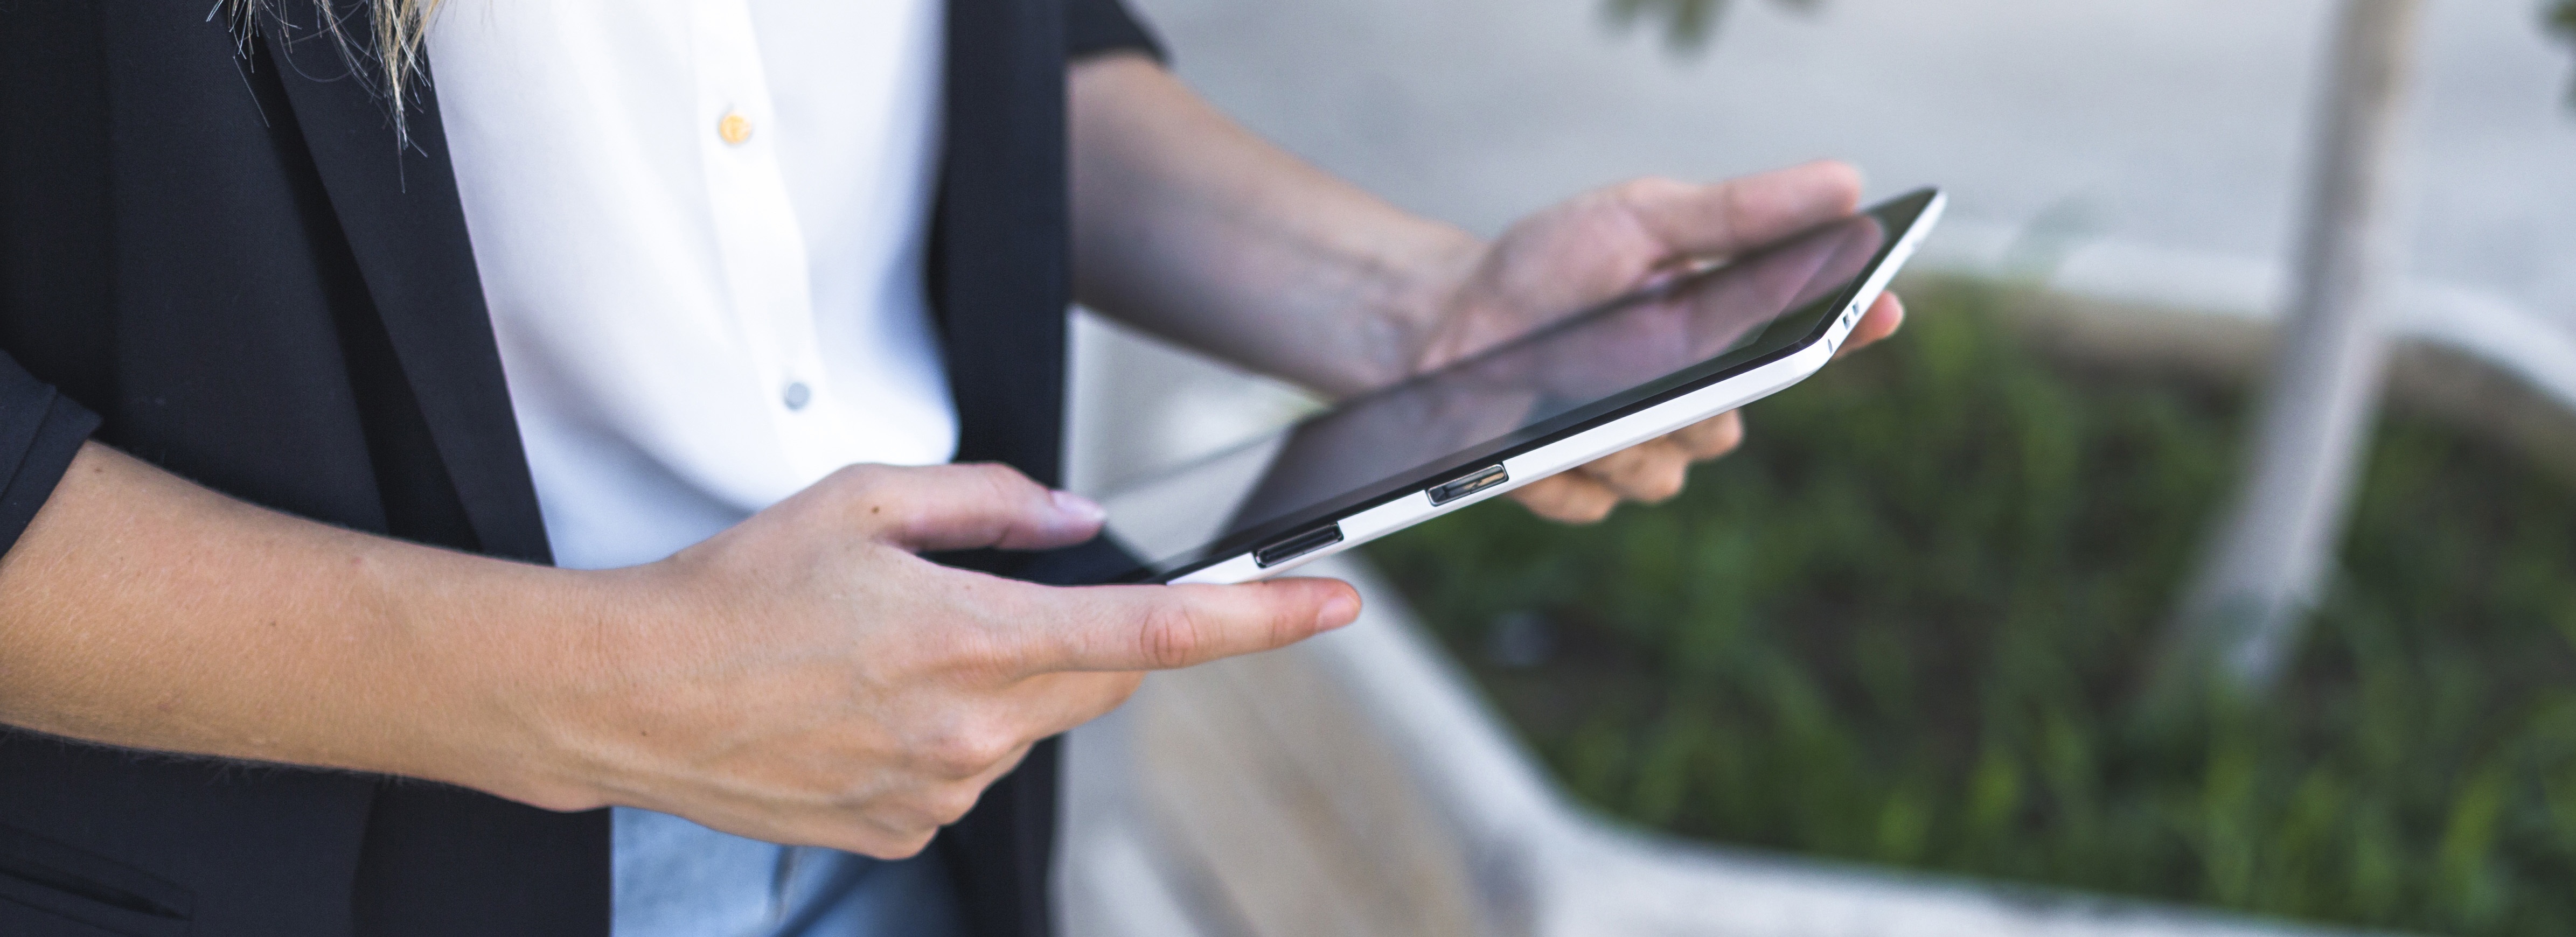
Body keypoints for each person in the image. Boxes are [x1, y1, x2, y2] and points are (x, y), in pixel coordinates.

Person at [0, 0, 1905, 934]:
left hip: (913, 813)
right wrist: (608, 699)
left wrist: (1411, 312)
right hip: (286, 859)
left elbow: (972, 62)